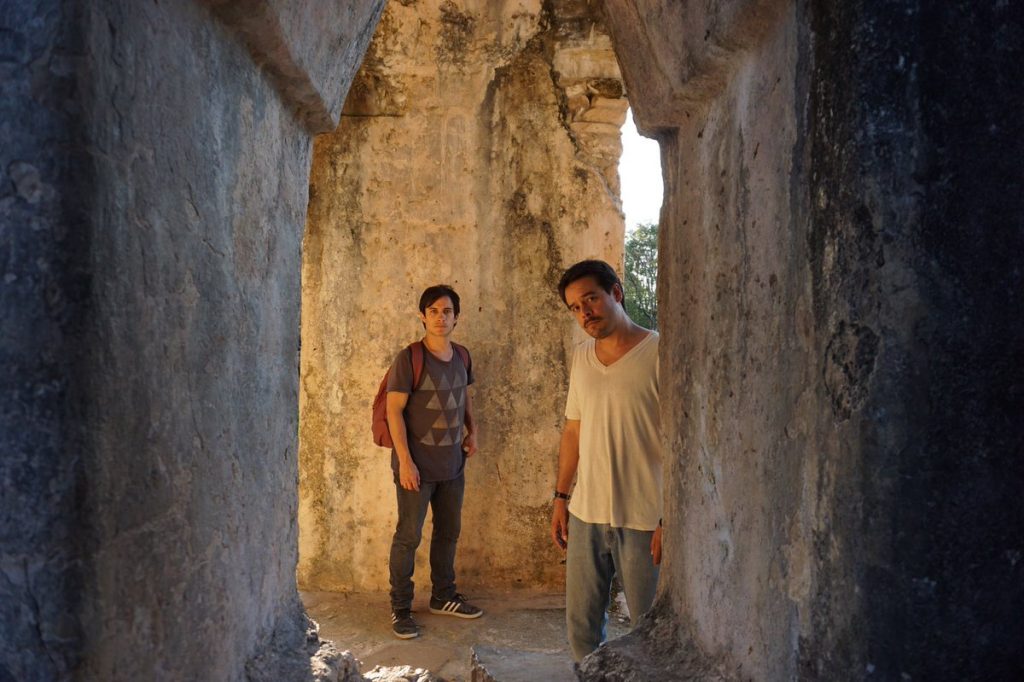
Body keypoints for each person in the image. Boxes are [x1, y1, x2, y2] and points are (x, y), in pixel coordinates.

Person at [549, 259, 663, 661]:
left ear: (616, 293)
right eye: (575, 308)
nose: (584, 314)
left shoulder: (660, 353)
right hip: (586, 514)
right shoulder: (581, 358)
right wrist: (561, 496)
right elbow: (573, 431)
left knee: (649, 632)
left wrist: (670, 518)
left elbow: (681, 443)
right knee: (581, 631)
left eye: (591, 300)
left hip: (645, 518)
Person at [385, 284, 483, 639]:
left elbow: (464, 397)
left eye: (447, 311)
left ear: (456, 316)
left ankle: (443, 596)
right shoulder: (409, 358)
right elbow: (393, 412)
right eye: (434, 311)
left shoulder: (462, 356)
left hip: (452, 465)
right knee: (408, 536)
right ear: (422, 316)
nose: (441, 317)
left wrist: (472, 432)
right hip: (417, 468)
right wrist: (406, 463)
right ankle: (400, 609)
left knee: (448, 532)